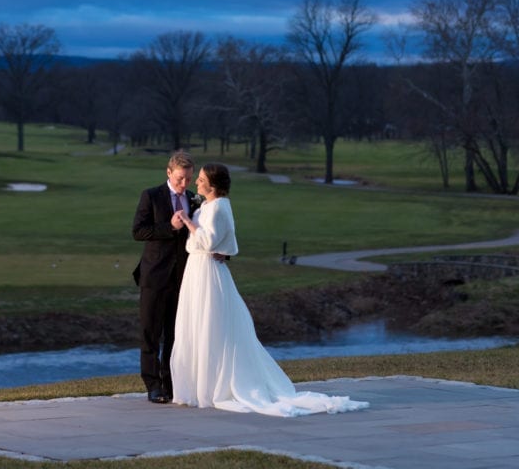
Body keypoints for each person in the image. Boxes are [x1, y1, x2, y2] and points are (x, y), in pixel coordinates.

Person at [170, 163, 370, 417]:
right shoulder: (207, 205)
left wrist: (187, 220)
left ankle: (214, 385)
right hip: (195, 269)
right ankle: (198, 384)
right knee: (196, 323)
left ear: (213, 184)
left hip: (207, 270)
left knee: (212, 324)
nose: (196, 183)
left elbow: (210, 241)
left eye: (200, 179)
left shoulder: (220, 206)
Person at [132, 149, 196, 403]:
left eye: (188, 179)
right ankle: (152, 385)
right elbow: (138, 231)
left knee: (174, 334)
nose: (184, 184)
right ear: (169, 172)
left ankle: (170, 383)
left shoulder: (193, 199)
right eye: (180, 178)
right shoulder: (151, 196)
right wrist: (169, 227)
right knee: (150, 332)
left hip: (183, 278)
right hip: (154, 276)